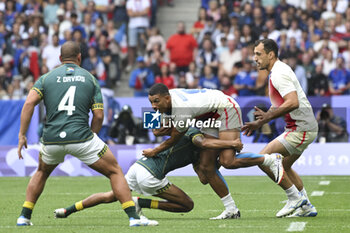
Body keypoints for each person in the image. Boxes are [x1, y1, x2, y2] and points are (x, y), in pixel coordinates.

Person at [16, 41, 157, 227]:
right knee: (115, 171)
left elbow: (28, 104)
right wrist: (93, 136)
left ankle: (24, 217)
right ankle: (133, 217)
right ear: (80, 57)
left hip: (52, 139)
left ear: (60, 58)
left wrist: (22, 135)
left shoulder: (46, 78)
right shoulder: (90, 79)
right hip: (82, 137)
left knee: (41, 172)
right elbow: (98, 115)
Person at [143, 83, 284, 218]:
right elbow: (162, 127)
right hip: (208, 115)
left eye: (156, 101)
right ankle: (231, 210)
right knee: (206, 168)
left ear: (167, 98)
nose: (153, 106)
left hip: (224, 108)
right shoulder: (168, 100)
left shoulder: (181, 109)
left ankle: (270, 160)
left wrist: (154, 151)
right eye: (151, 102)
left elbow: (174, 139)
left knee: (228, 161)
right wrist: (159, 130)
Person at [54, 128, 244, 219]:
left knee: (110, 196)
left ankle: (67, 210)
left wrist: (214, 163)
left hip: (138, 168)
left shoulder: (199, 154)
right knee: (187, 205)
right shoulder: (195, 131)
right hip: (150, 175)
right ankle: (141, 202)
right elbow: (203, 143)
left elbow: (204, 178)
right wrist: (231, 144)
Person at [243, 39, 319, 218]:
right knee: (284, 165)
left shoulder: (278, 74)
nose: (255, 58)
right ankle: (306, 206)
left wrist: (267, 117)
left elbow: (293, 102)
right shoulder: (279, 70)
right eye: (254, 54)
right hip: (302, 127)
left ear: (270, 54)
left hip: (301, 129)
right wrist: (261, 122)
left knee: (264, 158)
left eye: (258, 54)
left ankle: (294, 199)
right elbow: (280, 103)